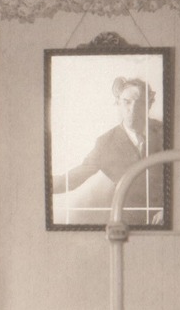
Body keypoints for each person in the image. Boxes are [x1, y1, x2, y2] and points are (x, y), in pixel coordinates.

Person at [53, 75, 166, 223]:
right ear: (118, 103)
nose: (132, 109)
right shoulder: (105, 143)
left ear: (149, 105)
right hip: (127, 224)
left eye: (139, 103)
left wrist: (168, 209)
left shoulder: (164, 132)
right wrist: (39, 185)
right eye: (126, 102)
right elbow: (74, 178)